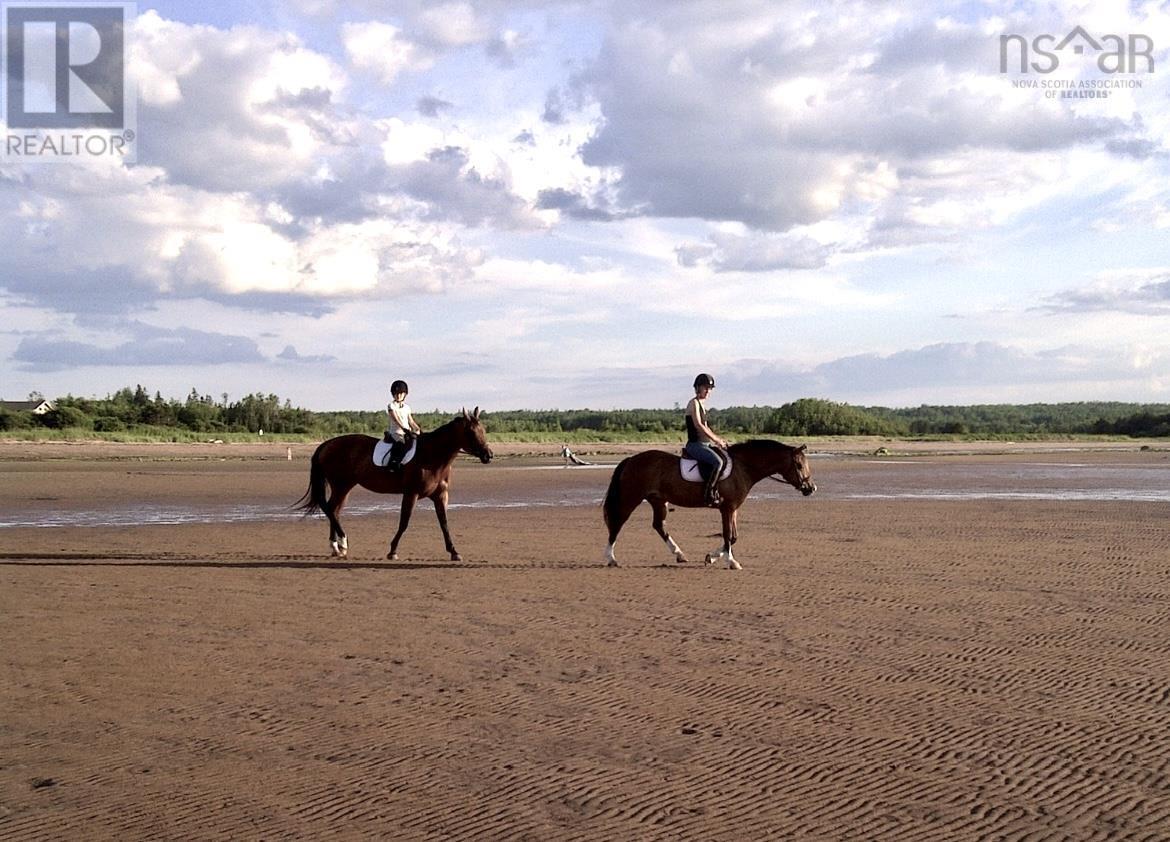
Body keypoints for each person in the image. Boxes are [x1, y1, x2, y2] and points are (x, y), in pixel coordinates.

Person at [684, 372, 729, 506]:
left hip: (705, 444)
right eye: (705, 388)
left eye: (710, 389)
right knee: (718, 463)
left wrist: (719, 440)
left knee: (724, 458)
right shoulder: (694, 403)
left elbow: (707, 428)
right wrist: (716, 440)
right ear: (698, 388)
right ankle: (708, 494)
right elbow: (699, 425)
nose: (708, 391)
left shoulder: (702, 405)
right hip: (695, 445)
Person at [383, 379, 422, 470]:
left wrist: (418, 429)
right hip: (396, 433)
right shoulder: (391, 406)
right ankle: (393, 463)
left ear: (405, 394)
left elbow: (411, 421)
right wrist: (404, 428)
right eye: (396, 393)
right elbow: (396, 419)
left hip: (407, 432)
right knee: (401, 444)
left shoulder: (407, 407)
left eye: (401, 393)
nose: (398, 396)